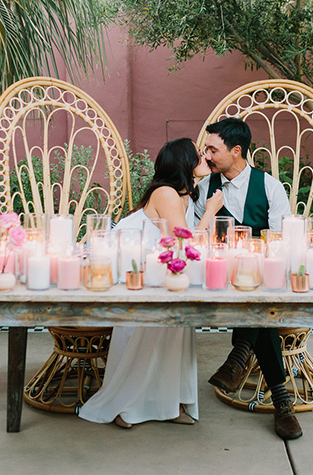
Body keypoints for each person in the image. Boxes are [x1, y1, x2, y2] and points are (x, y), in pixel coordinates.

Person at [78, 137, 223, 429]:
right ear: (184, 163)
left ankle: (170, 404)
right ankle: (124, 405)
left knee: (177, 330)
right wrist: (210, 213)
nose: (205, 158)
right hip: (132, 271)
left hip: (157, 269)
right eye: (199, 154)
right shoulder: (167, 193)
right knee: (146, 334)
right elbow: (183, 242)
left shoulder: (182, 194)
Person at [193, 117, 302, 440]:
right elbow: (196, 238)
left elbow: (280, 241)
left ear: (236, 151)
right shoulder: (204, 189)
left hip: (263, 276)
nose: (206, 155)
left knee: (259, 296)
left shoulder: (269, 187)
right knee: (257, 301)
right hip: (219, 276)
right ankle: (280, 397)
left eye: (212, 149)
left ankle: (240, 353)